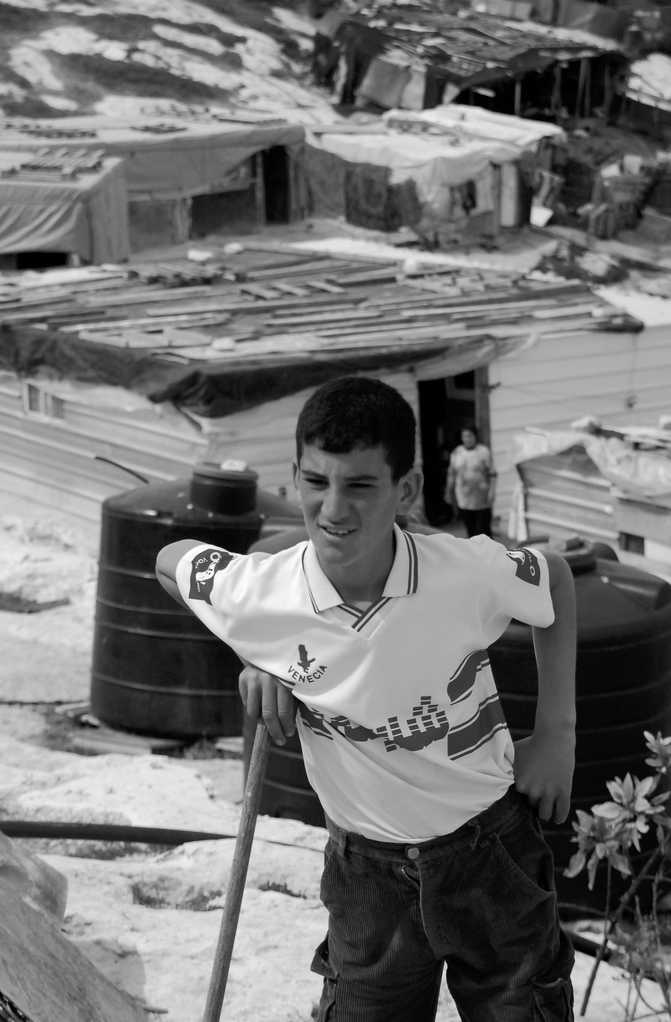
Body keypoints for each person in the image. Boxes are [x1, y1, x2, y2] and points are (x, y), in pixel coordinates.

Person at [156, 375, 577, 1022]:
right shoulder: (261, 592)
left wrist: (556, 734)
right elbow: (170, 559)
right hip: (365, 875)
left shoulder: (463, 573)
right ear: (294, 475)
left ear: (405, 489)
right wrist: (256, 656)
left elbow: (554, 578)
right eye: (316, 482)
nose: (333, 509)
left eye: (359, 485)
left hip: (489, 853)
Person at [445, 423, 496, 538]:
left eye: (469, 436)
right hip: (464, 499)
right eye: (464, 436)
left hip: (482, 498)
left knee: (484, 529)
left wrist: (492, 491)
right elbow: (451, 474)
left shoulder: (484, 452)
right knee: (470, 528)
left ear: (475, 437)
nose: (467, 439)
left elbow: (492, 474)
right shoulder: (457, 453)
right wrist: (448, 492)